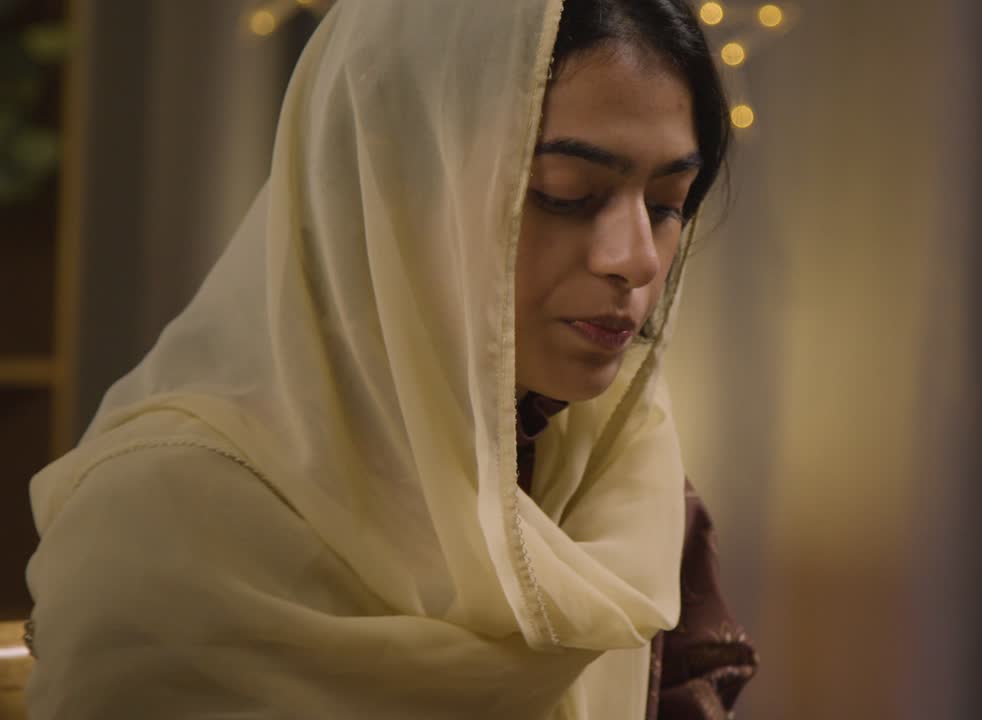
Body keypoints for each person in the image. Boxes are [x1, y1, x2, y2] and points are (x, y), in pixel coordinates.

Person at [23, 0, 756, 718]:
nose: (634, 260)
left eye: (666, 204)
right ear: (391, 185)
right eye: (565, 193)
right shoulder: (165, 521)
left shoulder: (622, 486)